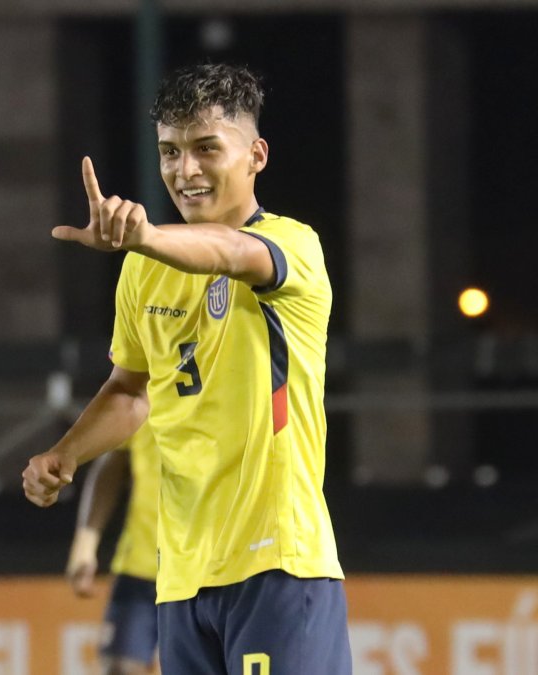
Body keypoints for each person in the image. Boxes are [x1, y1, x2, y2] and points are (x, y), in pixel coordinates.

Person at [23, 63, 351, 673]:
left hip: (275, 560)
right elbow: (129, 390)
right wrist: (66, 453)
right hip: (180, 575)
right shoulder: (143, 268)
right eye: (170, 152)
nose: (185, 171)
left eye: (206, 149)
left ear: (256, 155)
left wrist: (143, 235)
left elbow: (230, 251)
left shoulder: (294, 245)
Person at [67, 426, 160, 675]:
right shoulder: (146, 390)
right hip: (142, 565)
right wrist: (85, 542)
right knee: (120, 668)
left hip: (207, 571)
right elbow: (113, 462)